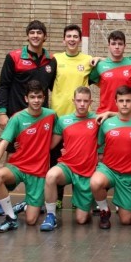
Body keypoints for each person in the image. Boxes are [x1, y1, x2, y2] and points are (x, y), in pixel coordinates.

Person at [0, 21, 55, 216]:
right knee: (12, 156)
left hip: (39, 119)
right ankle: (2, 200)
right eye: (32, 32)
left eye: (39, 32)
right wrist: (2, 112)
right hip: (16, 115)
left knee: (39, 156)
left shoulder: (50, 61)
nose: (35, 35)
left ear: (45, 36)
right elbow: (3, 85)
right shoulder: (13, 57)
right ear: (28, 35)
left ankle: (34, 199)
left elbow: (53, 88)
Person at [0, 80, 57, 233]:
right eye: (32, 97)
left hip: (38, 172)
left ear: (44, 98)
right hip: (18, 166)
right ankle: (11, 218)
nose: (36, 100)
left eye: (39, 97)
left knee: (31, 221)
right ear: (26, 98)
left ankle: (25, 204)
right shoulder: (17, 118)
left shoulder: (51, 115)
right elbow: (4, 143)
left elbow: (60, 133)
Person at [39, 86, 99, 232]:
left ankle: (88, 203)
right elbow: (49, 144)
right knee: (51, 176)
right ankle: (51, 216)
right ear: (73, 101)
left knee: (81, 220)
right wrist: (22, 144)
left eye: (85, 101)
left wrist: (109, 113)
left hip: (86, 172)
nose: (82, 104)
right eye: (79, 100)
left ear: (90, 102)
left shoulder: (97, 120)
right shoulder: (63, 121)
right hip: (67, 167)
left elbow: (121, 117)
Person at [50, 24, 96, 210]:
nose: (72, 39)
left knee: (82, 158)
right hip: (60, 117)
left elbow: (101, 72)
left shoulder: (88, 60)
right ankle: (58, 197)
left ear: (80, 40)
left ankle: (82, 198)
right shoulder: (55, 59)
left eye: (75, 36)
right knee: (57, 158)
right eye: (68, 36)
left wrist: (99, 59)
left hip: (81, 120)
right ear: (63, 40)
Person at [90, 86, 131, 229]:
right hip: (108, 169)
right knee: (96, 182)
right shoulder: (106, 123)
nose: (124, 104)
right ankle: (104, 211)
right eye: (121, 101)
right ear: (116, 102)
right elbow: (99, 147)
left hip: (128, 175)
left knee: (126, 220)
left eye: (128, 101)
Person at [89, 30, 131, 113]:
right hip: (105, 114)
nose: (117, 47)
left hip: (128, 114)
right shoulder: (100, 65)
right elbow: (87, 81)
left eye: (120, 44)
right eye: (113, 44)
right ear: (108, 46)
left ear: (125, 46)